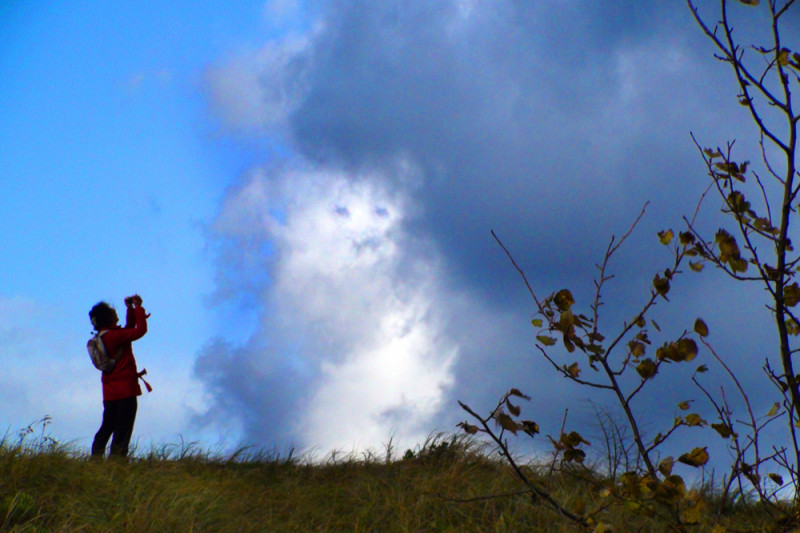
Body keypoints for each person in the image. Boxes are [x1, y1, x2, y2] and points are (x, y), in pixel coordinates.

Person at [88, 294, 150, 458]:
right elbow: (139, 330)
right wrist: (138, 307)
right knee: (123, 428)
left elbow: (129, 327)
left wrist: (130, 309)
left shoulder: (104, 337)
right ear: (109, 318)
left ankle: (96, 458)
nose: (116, 314)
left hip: (110, 392)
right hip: (126, 391)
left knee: (108, 425)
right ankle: (118, 461)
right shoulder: (116, 335)